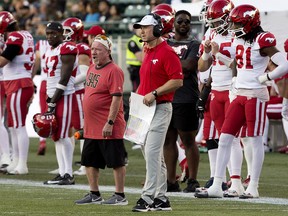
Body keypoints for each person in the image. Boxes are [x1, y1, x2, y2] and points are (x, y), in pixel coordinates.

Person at [195, 4, 288, 199]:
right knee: (225, 137)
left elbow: (284, 64)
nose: (234, 27)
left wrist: (267, 78)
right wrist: (235, 82)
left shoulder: (263, 39)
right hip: (238, 93)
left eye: (237, 24)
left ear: (249, 23)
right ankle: (217, 185)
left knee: (254, 140)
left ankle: (253, 186)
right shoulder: (238, 38)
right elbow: (236, 64)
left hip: (255, 94)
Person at [132, 13, 183, 212]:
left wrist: (155, 92)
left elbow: (178, 80)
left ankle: (148, 197)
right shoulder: (148, 49)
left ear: (158, 29)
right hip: (145, 108)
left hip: (161, 107)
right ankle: (161, 198)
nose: (142, 31)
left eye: (146, 27)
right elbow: (146, 80)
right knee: (151, 154)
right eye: (140, 27)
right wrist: (138, 95)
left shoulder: (167, 52)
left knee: (153, 153)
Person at [198, 0, 244, 197]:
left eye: (217, 21)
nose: (213, 26)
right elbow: (201, 67)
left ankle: (236, 182)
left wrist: (219, 54)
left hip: (232, 89)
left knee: (233, 138)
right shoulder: (210, 33)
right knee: (221, 138)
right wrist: (208, 53)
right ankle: (220, 182)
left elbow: (240, 65)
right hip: (215, 90)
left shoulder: (238, 34)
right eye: (212, 21)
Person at [75, 35, 128, 205]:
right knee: (90, 160)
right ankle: (94, 193)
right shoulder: (91, 68)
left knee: (116, 161)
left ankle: (120, 196)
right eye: (92, 49)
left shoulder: (114, 70)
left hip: (108, 125)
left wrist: (110, 122)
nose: (94, 52)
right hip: (92, 125)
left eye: (98, 49)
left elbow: (117, 98)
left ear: (107, 51)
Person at [164, 10, 200, 193]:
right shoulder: (166, 43)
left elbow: (190, 66)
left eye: (187, 21)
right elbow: (180, 65)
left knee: (188, 140)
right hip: (167, 96)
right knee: (168, 140)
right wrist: (177, 64)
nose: (184, 24)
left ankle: (192, 179)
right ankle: (171, 181)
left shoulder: (195, 44)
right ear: (173, 23)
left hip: (186, 97)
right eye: (180, 21)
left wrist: (168, 63)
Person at [43, 21, 78, 185]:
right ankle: (62, 171)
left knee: (64, 135)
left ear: (61, 34)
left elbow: (64, 78)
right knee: (56, 136)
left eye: (53, 33)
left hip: (64, 95)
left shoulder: (67, 48)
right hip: (52, 95)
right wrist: (49, 99)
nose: (50, 36)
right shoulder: (49, 49)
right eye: (48, 33)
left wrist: (53, 101)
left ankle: (68, 174)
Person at [0, 11, 35, 175]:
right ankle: (16, 162)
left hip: (18, 83)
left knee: (19, 126)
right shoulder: (25, 34)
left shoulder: (15, 37)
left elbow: (3, 60)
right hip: (19, 82)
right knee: (14, 125)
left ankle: (22, 164)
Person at [62, 17, 91, 176]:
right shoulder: (66, 46)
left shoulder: (82, 47)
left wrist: (68, 83)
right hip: (70, 92)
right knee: (69, 129)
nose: (64, 34)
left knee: (82, 130)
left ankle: (84, 164)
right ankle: (67, 166)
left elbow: (85, 74)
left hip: (79, 92)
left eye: (68, 30)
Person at [33, 39, 50, 155]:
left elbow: (38, 59)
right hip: (57, 81)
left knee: (43, 112)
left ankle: (42, 141)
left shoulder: (41, 44)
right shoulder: (64, 44)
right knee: (60, 113)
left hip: (45, 81)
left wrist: (32, 76)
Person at [126, 28, 143, 93]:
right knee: (136, 91)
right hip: (135, 69)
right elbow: (141, 58)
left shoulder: (144, 40)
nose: (141, 30)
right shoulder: (132, 42)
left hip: (142, 68)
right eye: (139, 28)